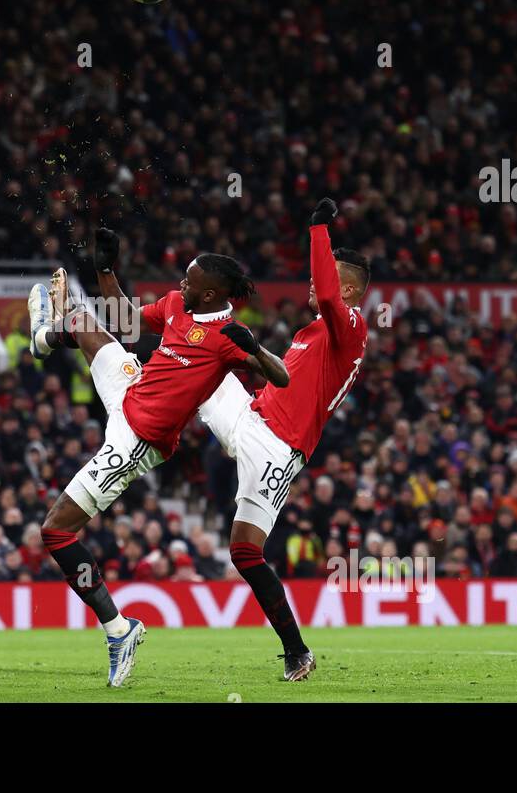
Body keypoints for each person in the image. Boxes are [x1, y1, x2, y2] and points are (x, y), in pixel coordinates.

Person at [26, 231, 288, 687]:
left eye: (188, 281)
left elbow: (281, 377)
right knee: (88, 323)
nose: (179, 285)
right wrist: (106, 270)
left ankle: (118, 629)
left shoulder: (226, 338)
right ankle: (43, 339)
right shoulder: (174, 305)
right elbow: (126, 322)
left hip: (137, 442)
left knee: (55, 531)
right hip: (129, 393)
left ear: (209, 293)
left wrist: (256, 348)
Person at [196, 197, 370, 681]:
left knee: (245, 551)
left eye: (328, 276)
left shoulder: (351, 327)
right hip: (250, 416)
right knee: (192, 351)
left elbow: (332, 297)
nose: (316, 284)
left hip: (276, 448)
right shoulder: (310, 334)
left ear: (350, 287)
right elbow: (285, 385)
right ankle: (106, 351)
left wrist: (318, 232)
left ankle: (297, 650)